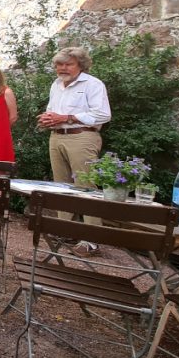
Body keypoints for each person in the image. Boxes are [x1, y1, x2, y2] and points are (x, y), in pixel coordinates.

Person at [36, 46, 111, 257]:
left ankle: (91, 240)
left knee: (86, 186)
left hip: (82, 137)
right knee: (62, 187)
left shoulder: (93, 84)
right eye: (59, 64)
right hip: (57, 137)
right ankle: (65, 231)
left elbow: (103, 115)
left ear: (80, 65)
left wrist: (67, 117)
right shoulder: (56, 85)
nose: (63, 68)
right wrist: (48, 119)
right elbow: (55, 111)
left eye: (68, 64)